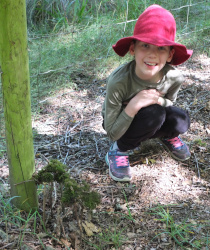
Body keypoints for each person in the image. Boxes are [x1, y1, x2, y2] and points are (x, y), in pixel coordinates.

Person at [102, 4, 193, 182]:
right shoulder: (119, 81)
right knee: (155, 114)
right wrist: (135, 104)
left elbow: (169, 103)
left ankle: (167, 136)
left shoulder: (174, 77)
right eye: (145, 46)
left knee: (181, 120)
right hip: (122, 123)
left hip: (152, 115)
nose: (152, 54)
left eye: (161, 48)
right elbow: (111, 131)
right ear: (132, 49)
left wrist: (159, 102)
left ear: (170, 54)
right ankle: (119, 149)